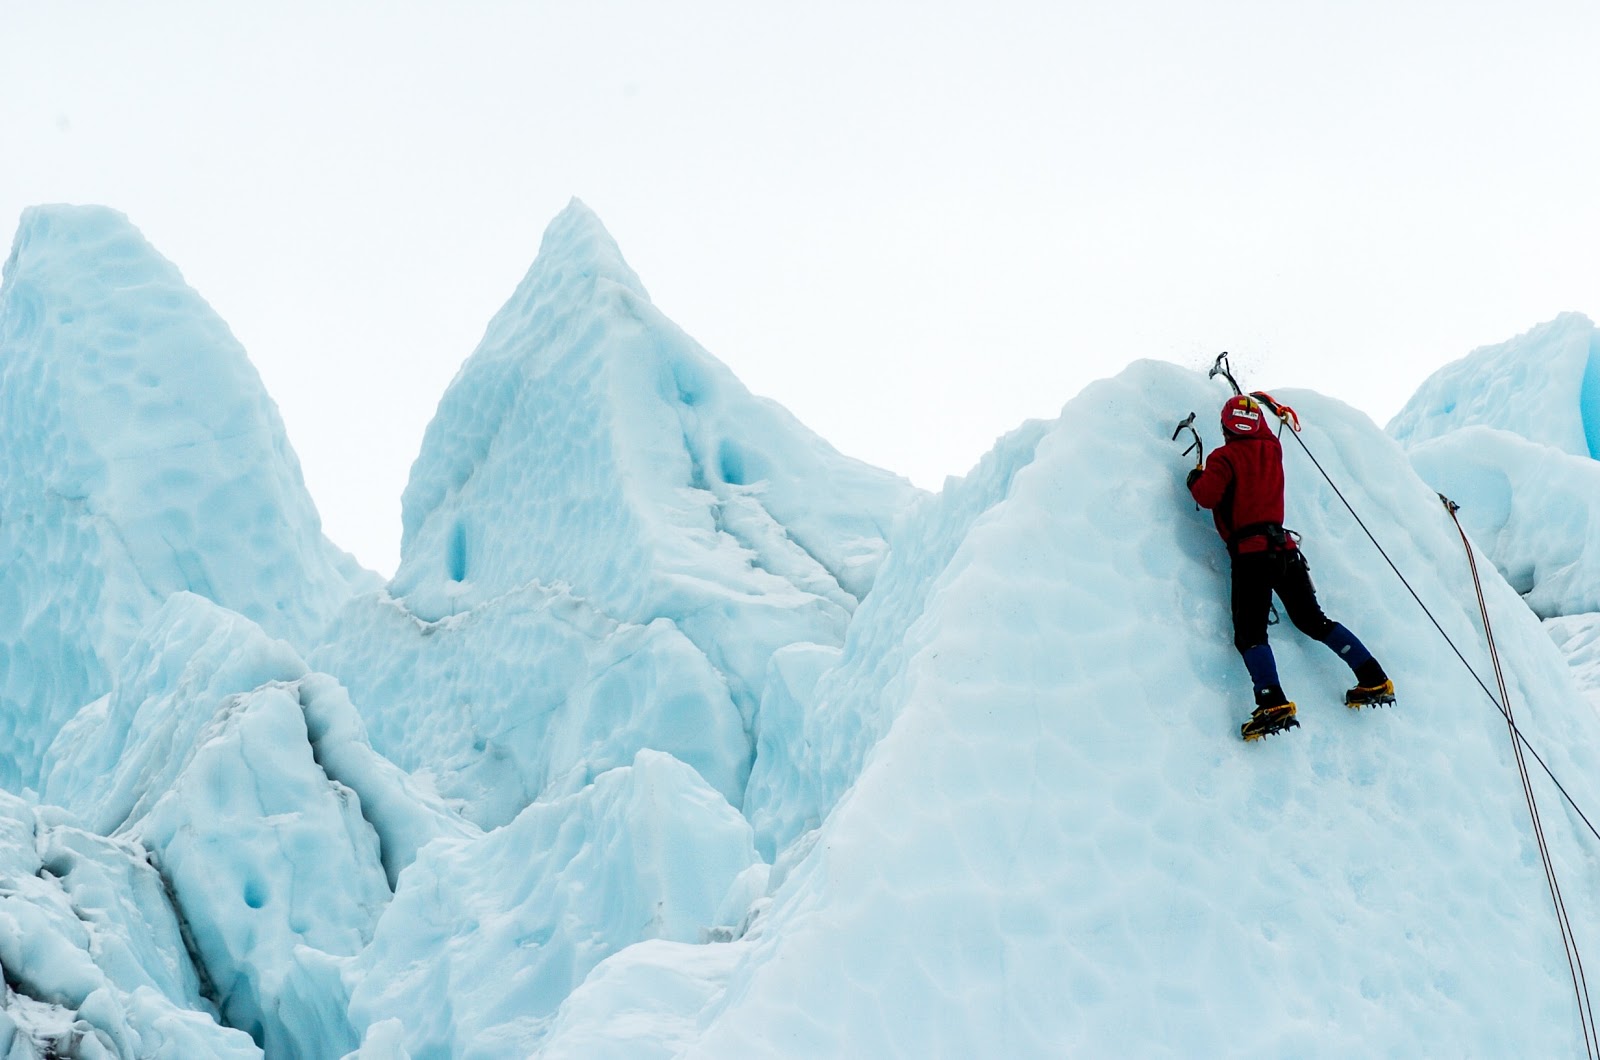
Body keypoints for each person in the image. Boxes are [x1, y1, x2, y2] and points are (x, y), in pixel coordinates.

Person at [1186, 393, 1394, 740]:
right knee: (1314, 620)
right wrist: (1259, 405)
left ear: (1225, 429)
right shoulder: (1271, 449)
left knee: (1250, 634)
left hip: (1252, 556)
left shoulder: (1224, 457)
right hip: (1285, 551)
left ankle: (1272, 703)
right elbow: (1265, 433)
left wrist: (1195, 477)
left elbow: (1206, 496)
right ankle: (1373, 677)